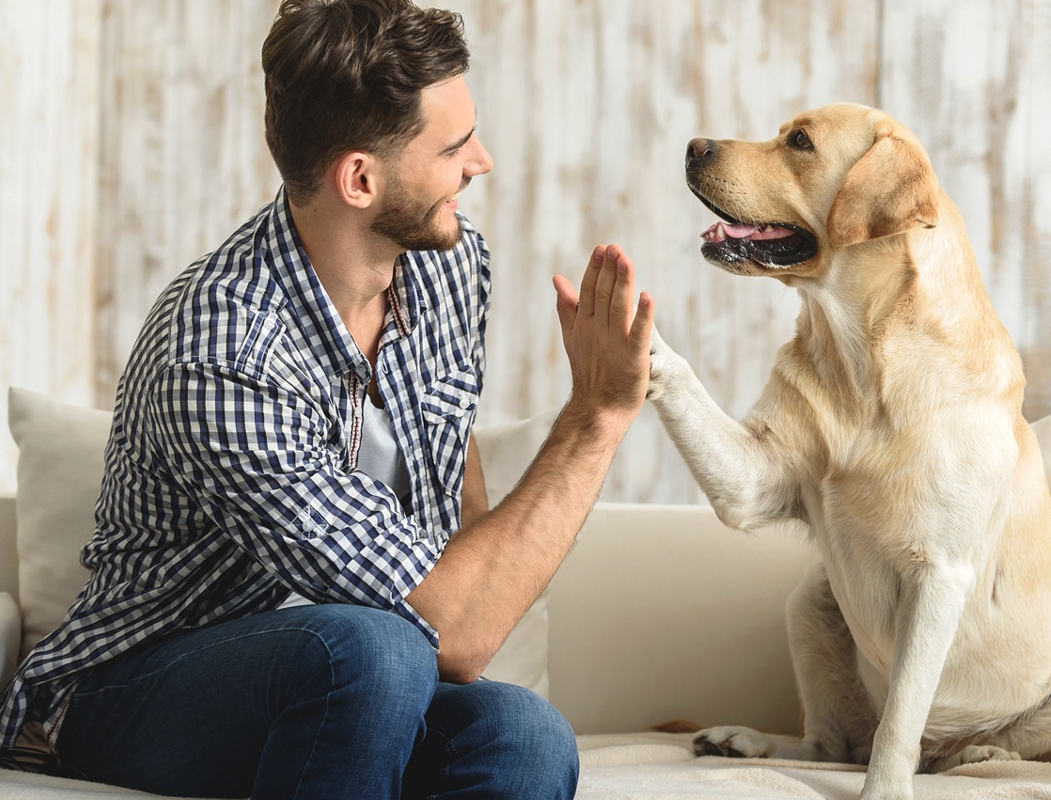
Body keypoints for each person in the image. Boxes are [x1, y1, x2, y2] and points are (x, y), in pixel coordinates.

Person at [0, 0, 654, 797]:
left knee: (525, 736)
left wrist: (467, 597)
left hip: (362, 686)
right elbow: (453, 632)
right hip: (137, 689)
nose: (481, 161)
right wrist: (597, 416)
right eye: (453, 147)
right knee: (373, 651)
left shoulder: (450, 266)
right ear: (359, 178)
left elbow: (455, 472)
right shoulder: (220, 350)